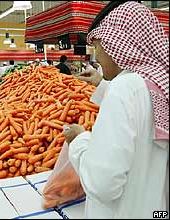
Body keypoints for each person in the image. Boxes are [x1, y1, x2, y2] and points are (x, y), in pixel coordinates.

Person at [64, 1, 168, 218]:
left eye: (98, 46)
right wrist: (101, 85)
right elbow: (143, 113)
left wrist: (80, 141)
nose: (97, 56)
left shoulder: (125, 88)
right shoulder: (159, 86)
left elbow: (102, 184)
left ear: (118, 44)